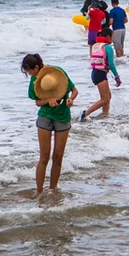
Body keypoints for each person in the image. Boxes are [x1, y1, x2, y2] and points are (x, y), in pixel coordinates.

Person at [21, 53, 77, 196]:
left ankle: (53, 190)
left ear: (37, 66)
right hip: (45, 117)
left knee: (58, 156)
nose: (29, 74)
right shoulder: (35, 80)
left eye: (29, 70)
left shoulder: (57, 72)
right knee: (44, 156)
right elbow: (37, 102)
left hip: (62, 116)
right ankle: (39, 192)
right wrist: (48, 100)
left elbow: (74, 90)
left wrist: (70, 99)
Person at [80, 27, 121, 122]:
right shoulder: (108, 48)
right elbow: (111, 64)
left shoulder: (96, 45)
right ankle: (85, 113)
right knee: (104, 99)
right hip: (100, 74)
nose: (113, 39)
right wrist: (117, 77)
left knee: (108, 97)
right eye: (112, 37)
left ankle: (105, 115)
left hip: (95, 73)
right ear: (107, 36)